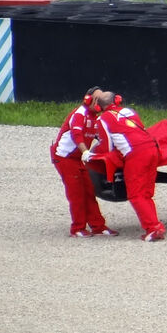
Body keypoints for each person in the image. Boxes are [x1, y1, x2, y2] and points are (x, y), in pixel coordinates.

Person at [87, 92, 166, 242]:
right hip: (152, 149)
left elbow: (107, 146)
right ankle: (156, 226)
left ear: (99, 106)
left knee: (136, 194)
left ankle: (153, 228)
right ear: (117, 100)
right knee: (146, 193)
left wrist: (91, 155)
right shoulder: (130, 111)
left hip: (136, 155)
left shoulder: (103, 119)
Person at [50, 87, 118, 238]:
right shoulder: (80, 114)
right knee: (76, 193)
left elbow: (101, 137)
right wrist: (86, 152)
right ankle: (77, 228)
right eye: (97, 100)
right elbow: (76, 135)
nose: (100, 104)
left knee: (89, 191)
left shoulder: (97, 117)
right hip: (64, 158)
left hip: (78, 158)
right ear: (88, 100)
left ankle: (98, 226)